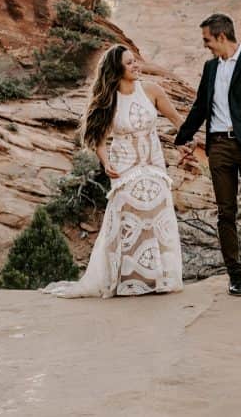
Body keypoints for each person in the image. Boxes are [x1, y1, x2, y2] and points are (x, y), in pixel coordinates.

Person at [42, 44, 186, 297]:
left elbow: (177, 120)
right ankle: (127, 281)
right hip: (124, 166)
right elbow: (97, 137)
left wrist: (188, 142)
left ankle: (161, 279)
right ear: (116, 68)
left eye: (135, 61)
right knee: (129, 220)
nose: (136, 65)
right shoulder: (109, 99)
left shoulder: (152, 90)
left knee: (158, 215)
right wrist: (106, 162)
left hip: (154, 163)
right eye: (129, 63)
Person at [175, 13, 241, 297]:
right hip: (219, 145)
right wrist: (181, 138)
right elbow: (200, 108)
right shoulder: (210, 68)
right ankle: (236, 276)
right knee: (226, 212)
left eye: (207, 40)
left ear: (222, 36)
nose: (205, 46)